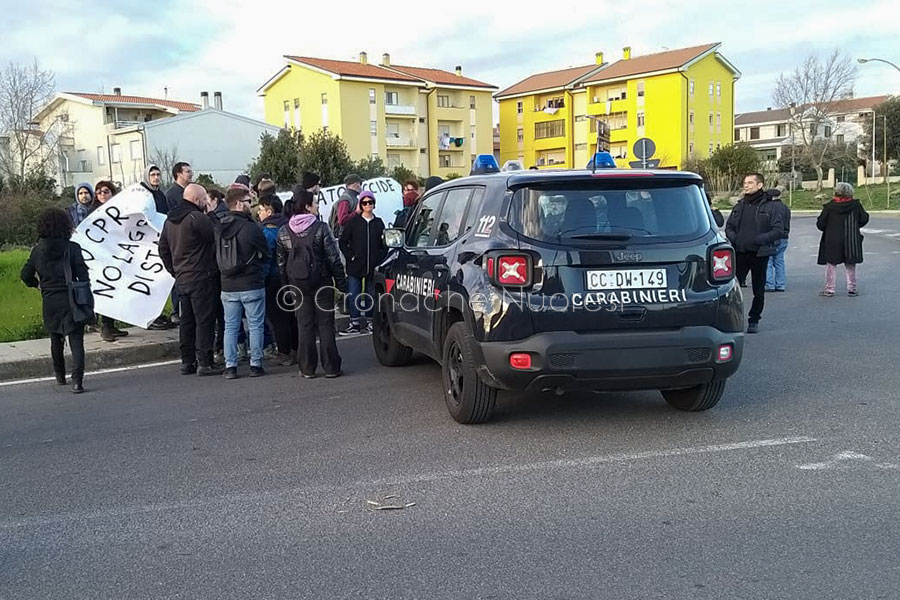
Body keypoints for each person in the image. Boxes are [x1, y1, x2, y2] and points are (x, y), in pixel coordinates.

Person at [277, 191, 347, 378]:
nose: (317, 206)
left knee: (304, 325)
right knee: (325, 325)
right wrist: (341, 283)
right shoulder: (321, 228)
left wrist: (286, 287)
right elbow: (333, 258)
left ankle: (307, 367)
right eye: (315, 203)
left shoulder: (284, 231)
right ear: (307, 206)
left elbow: (281, 263)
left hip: (297, 284)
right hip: (321, 282)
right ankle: (331, 367)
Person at [20, 208, 91, 393]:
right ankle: (77, 381)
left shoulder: (37, 250)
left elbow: (25, 275)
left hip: (50, 300)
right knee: (76, 340)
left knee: (55, 338)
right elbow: (83, 275)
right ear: (65, 226)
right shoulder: (72, 248)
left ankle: (60, 376)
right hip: (71, 299)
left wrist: (37, 284)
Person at [158, 183, 223, 376]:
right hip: (202, 276)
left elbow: (163, 249)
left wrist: (175, 271)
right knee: (204, 320)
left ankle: (187, 361)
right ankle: (205, 362)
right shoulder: (196, 218)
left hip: (183, 278)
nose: (206, 202)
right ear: (196, 200)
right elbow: (217, 234)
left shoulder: (170, 220)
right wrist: (212, 214)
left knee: (187, 321)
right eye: (204, 199)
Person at [216, 187, 271, 379]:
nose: (252, 206)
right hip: (251, 283)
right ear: (239, 204)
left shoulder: (218, 228)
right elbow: (266, 254)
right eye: (248, 202)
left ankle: (230, 366)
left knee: (230, 326)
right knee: (255, 325)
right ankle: (256, 364)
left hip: (227, 284)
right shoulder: (251, 228)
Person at [724, 173, 784, 334]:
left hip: (759, 253)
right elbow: (728, 226)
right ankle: (730, 319)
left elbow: (779, 230)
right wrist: (735, 238)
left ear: (759, 185)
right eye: (745, 183)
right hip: (740, 252)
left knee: (758, 289)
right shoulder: (740, 205)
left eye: (750, 183)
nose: (746, 185)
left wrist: (759, 239)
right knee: (731, 288)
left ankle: (754, 319)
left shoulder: (770, 206)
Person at [339, 190, 386, 334]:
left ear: (374, 204)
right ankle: (354, 323)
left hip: (372, 266)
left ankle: (371, 321)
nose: (368, 205)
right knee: (354, 294)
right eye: (365, 203)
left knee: (371, 294)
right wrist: (350, 256)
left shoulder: (378, 223)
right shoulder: (354, 222)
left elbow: (384, 244)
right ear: (361, 205)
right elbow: (343, 241)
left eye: (370, 202)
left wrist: (380, 259)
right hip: (355, 266)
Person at [258, 194, 297, 366]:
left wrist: (261, 278)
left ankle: (284, 352)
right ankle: (296, 349)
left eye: (260, 210)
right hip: (291, 276)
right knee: (291, 315)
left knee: (278, 318)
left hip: (273, 278)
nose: (258, 213)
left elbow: (266, 258)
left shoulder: (268, 231)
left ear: (269, 210)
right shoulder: (289, 226)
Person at [92, 181, 130, 342]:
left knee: (117, 289)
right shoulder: (93, 213)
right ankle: (105, 326)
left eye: (106, 191)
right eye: (99, 192)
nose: (102, 195)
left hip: (118, 255)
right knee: (105, 289)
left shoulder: (121, 210)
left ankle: (111, 324)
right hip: (101, 258)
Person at [817, 182, 869, 297]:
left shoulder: (829, 207)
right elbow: (864, 219)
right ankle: (852, 288)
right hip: (851, 239)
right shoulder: (856, 206)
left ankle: (829, 289)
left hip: (832, 239)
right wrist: (855, 226)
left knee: (831, 264)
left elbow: (821, 224)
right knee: (850, 264)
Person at [765, 188, 791, 292]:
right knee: (780, 261)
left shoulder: (768, 207)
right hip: (784, 236)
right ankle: (780, 284)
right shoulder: (785, 207)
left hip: (771, 236)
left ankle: (769, 284)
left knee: (768, 261)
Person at [330, 173, 362, 240]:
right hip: (345, 238)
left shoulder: (352, 198)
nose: (361, 186)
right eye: (360, 183)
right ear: (355, 184)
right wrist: (356, 212)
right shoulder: (345, 200)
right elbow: (342, 220)